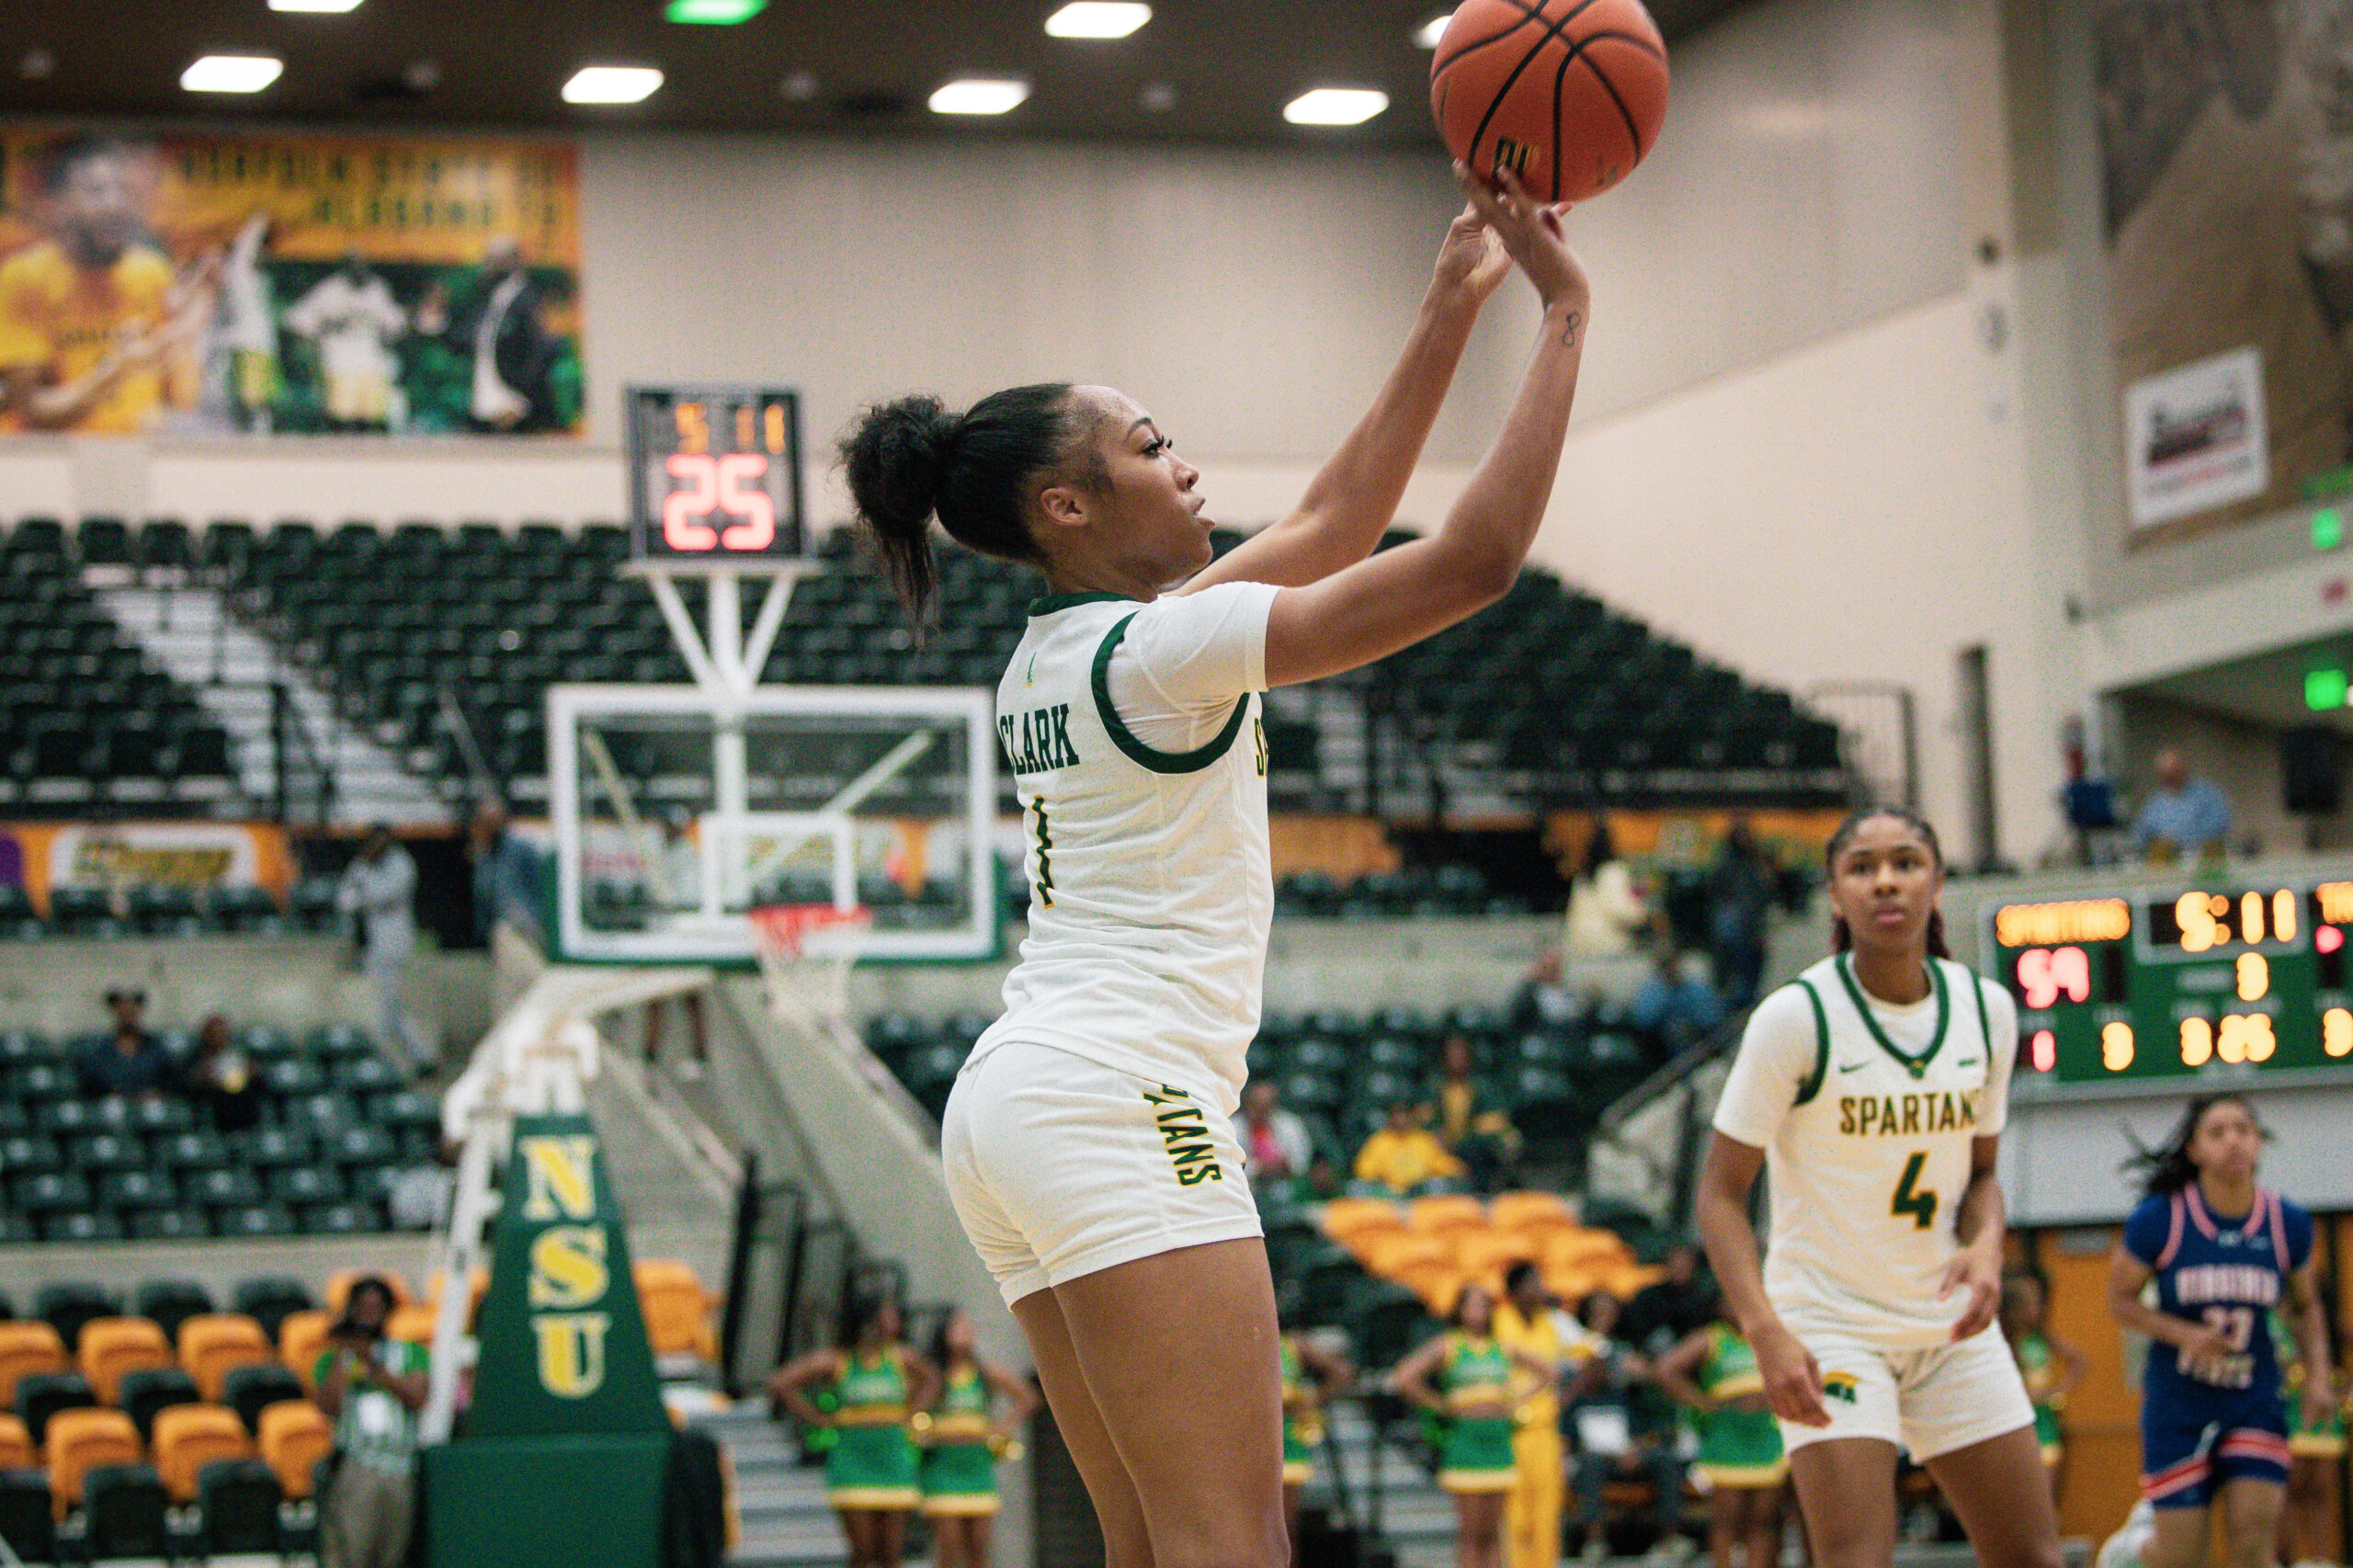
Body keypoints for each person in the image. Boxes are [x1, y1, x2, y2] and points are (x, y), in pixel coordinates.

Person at [876, 166, 1588, 1568]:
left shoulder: (1070, 646)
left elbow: (1328, 524)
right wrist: (1561, 316)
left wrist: (1448, 306)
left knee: (1152, 1545)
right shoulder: (1162, 649)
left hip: (1017, 1102)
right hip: (1120, 1096)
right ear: (1068, 506)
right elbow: (1480, 560)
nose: (1185, 463)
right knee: (1232, 1542)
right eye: (1151, 445)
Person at [1694, 805, 2062, 1568]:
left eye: (1905, 861)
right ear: (1834, 894)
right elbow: (1720, 1195)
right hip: (1831, 1324)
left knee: (2033, 1556)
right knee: (1857, 1558)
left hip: (1949, 1323)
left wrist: (1987, 1250)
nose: (1885, 881)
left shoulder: (1986, 1010)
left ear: (1936, 880)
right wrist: (1766, 1331)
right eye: (1861, 868)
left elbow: (1983, 1176)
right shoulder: (1796, 1017)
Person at [2107, 1095, 2335, 1568]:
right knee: (2182, 1557)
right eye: (2217, 1132)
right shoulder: (2160, 1218)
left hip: (2254, 1396)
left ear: (2258, 1143)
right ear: (2194, 1150)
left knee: (2254, 1548)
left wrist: (2317, 1376)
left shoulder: (2285, 1222)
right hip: (2178, 1402)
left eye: (2243, 1129)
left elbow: (2306, 1306)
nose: (2233, 1140)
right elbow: (2120, 1302)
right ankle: (2130, 1552)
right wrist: (2183, 1334)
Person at [0, 134, 212, 433]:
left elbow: (178, 399)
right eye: (96, 191)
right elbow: (33, 414)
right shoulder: (23, 277)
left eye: (124, 189)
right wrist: (117, 369)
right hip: (51, 464)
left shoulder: (151, 270)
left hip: (140, 458)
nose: (115, 204)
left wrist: (191, 323)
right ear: (57, 204)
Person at [1397, 1284, 1563, 1568]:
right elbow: (1405, 1378)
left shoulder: (1502, 1347)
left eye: (1483, 1306)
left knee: (1494, 1534)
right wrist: (1441, 1404)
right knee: (1472, 1534)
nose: (1478, 1312)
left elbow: (1549, 1372)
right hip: (1466, 1442)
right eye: (1471, 1306)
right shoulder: (1449, 1345)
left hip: (1498, 1443)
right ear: (1459, 1311)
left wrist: (1517, 1400)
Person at [770, 1297, 939, 1568]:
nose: (895, 1319)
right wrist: (817, 1418)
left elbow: (932, 1378)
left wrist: (912, 1412)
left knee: (891, 1554)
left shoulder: (900, 1356)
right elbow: (781, 1382)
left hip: (894, 1460)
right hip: (852, 1462)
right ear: (869, 1321)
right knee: (862, 1550)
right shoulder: (840, 1360)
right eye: (888, 1314)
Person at [1654, 1314, 1786, 1568]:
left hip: (1768, 1432)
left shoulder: (1769, 1334)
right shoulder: (1712, 1338)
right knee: (1727, 1520)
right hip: (1728, 1432)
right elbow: (1665, 1369)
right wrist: (1703, 1403)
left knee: (1764, 1520)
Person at [313, 1276, 428, 1568]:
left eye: (376, 1307)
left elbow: (416, 1395)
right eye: (362, 1307)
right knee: (351, 1551)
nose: (369, 1314)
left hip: (400, 1466)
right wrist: (346, 1353)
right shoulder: (336, 1358)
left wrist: (376, 1369)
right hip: (358, 1465)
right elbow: (329, 1406)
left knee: (393, 1554)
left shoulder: (409, 1352)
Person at [1562, 1289, 1684, 1562]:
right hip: (1594, 1458)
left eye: (1603, 1364)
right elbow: (1569, 1439)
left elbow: (1638, 1430)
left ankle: (1671, 1539)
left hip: (1626, 1454)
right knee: (1590, 1462)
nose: (1599, 1369)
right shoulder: (1576, 1399)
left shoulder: (1621, 1395)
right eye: (1592, 1365)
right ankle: (1595, 1542)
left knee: (1665, 1457)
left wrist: (1635, 1448)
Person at [915, 1308, 1039, 1568]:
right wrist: (933, 1430)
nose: (965, 1331)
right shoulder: (933, 1374)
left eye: (967, 1326)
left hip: (977, 1467)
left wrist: (999, 1427)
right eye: (957, 1326)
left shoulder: (983, 1372)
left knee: (979, 1550)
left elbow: (1028, 1398)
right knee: (948, 1548)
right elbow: (913, 1411)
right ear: (943, 1333)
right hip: (943, 1467)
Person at [415, 236, 570, 433]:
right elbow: (465, 342)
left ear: (513, 262)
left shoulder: (528, 300)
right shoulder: (490, 301)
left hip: (517, 411)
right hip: (487, 408)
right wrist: (437, 321)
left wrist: (521, 401)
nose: (489, 265)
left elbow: (541, 351)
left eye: (496, 260)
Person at [1494, 1262, 1571, 1568]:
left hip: (1545, 1431)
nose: (1540, 1289)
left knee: (1547, 1516)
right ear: (1515, 1290)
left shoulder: (1553, 1322)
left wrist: (1567, 1397)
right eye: (1533, 1283)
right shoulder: (1497, 1322)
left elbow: (1594, 1354)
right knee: (1514, 1519)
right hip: (1510, 1432)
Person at [338, 824, 427, 1077]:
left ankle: (419, 1059)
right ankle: (416, 1060)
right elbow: (343, 900)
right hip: (372, 947)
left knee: (392, 1013)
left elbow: (383, 896)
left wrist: (363, 884)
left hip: (397, 946)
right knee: (386, 1015)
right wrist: (362, 876)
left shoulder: (401, 863)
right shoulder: (362, 864)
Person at [282, 253, 408, 431]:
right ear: (345, 267)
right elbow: (296, 321)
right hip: (339, 360)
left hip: (371, 360)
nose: (359, 270)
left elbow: (396, 323)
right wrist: (316, 339)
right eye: (354, 265)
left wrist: (390, 338)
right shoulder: (329, 290)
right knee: (341, 417)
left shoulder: (376, 289)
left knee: (372, 418)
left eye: (363, 265)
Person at [1277, 1318, 1353, 1564]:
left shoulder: (1293, 1344)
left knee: (1285, 1528)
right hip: (1254, 1435)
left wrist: (1312, 1399)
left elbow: (1342, 1372)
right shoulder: (1243, 1340)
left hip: (1288, 1436)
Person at [1998, 1271, 2085, 1485]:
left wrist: (2058, 1390)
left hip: (2045, 1421)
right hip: (2016, 1423)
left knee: (2048, 1488)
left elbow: (2079, 1360)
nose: (2039, 1307)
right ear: (2013, 1308)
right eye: (2032, 1302)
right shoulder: (2003, 1341)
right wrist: (2022, 1394)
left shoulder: (2042, 1336)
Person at [2277, 1305, 2347, 1568]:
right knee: (2293, 1490)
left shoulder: (2322, 1323)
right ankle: (2293, 1560)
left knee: (2321, 1491)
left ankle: (2321, 1558)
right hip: (2290, 1410)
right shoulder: (2274, 1324)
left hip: (2322, 1415)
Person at [1433, 1033, 1520, 1193]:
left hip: (1473, 1147)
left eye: (1461, 1055)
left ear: (1469, 1058)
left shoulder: (1483, 1087)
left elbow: (1495, 1120)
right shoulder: (1434, 1087)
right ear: (1443, 1059)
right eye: (1452, 1055)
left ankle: (1482, 1195)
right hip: (1440, 1149)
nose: (1456, 1060)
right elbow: (1426, 1118)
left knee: (1478, 1150)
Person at [1707, 822, 1775, 1010]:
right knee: (1739, 979)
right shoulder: (1741, 865)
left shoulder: (1746, 865)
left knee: (1744, 978)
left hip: (1747, 928)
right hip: (1740, 928)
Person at [1564, 816, 1648, 960]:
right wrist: (1643, 907)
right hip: (1609, 950)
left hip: (1577, 950)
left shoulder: (1582, 877)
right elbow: (1626, 912)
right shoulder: (1614, 872)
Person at [2131, 748, 2232, 865]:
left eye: (2174, 772)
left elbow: (2220, 824)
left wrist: (2179, 839)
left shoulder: (2206, 794)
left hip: (2201, 861)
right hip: (2164, 864)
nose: (2171, 778)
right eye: (2166, 775)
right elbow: (2141, 834)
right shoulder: (2155, 802)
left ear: (2183, 770)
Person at [1619, 1241, 1714, 1358]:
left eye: (1685, 1264)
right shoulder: (1648, 1296)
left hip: (1692, 1357)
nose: (1680, 1269)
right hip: (1648, 1356)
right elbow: (1635, 1333)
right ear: (1667, 1265)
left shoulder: (1702, 1300)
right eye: (1676, 1264)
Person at [1354, 1098, 1467, 1196]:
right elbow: (1364, 1169)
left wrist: (1456, 1169)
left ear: (1412, 1117)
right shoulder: (1379, 1140)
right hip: (1388, 1194)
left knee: (1438, 1185)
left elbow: (1442, 1163)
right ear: (1391, 1118)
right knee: (1357, 1188)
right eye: (1397, 1115)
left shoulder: (1423, 1139)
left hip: (1420, 1194)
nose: (1401, 1119)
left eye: (1405, 1115)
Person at [76, 987, 174, 1100]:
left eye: (132, 1010)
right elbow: (91, 1085)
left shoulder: (155, 1048)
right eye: (123, 1010)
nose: (127, 1013)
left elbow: (170, 1083)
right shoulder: (100, 1052)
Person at [1629, 947, 1725, 1060]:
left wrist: (1692, 1023)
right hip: (1662, 1047)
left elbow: (1715, 1016)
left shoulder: (1697, 986)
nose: (1669, 968)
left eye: (1671, 963)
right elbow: (1643, 1021)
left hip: (1700, 1040)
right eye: (1664, 964)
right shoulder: (1649, 992)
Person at [180, 1012, 263, 1134]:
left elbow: (255, 1076)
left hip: (240, 1103)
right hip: (214, 1107)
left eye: (221, 1032)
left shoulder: (238, 1054)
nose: (217, 1037)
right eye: (213, 1033)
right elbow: (188, 1082)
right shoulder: (196, 1058)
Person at [1235, 1080, 1316, 1190]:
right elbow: (1229, 1164)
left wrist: (1283, 1164)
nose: (1260, 1112)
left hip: (1285, 1184)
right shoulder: (1232, 1126)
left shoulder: (1290, 1124)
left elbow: (1301, 1164)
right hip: (1245, 1185)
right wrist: (1258, 1168)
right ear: (1247, 1104)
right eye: (1255, 1106)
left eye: (1265, 1106)